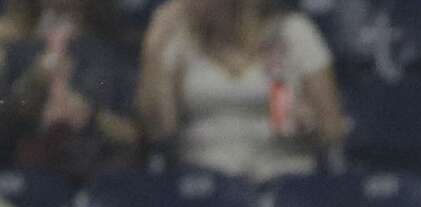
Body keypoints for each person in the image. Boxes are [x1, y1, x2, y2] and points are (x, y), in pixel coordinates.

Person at [136, 0, 344, 180]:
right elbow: (160, 130)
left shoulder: (292, 31)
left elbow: (331, 129)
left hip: (284, 176)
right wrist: (154, 50)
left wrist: (309, 125)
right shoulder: (179, 38)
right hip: (205, 181)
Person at [0, 1, 140, 182]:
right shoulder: (16, 49)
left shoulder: (117, 52)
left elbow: (135, 138)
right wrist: (33, 85)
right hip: (21, 177)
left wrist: (91, 115)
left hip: (96, 178)